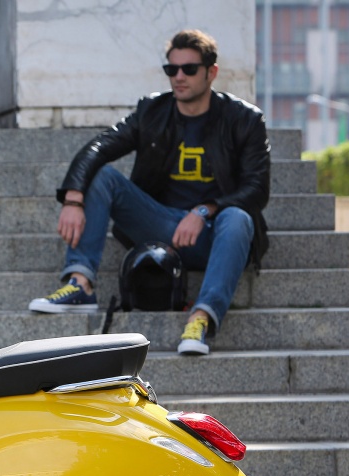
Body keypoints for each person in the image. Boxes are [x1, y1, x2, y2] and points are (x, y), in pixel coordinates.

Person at [28, 29, 270, 356]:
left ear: (211, 72)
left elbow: (257, 188)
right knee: (103, 177)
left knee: (239, 218)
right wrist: (73, 198)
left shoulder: (243, 119)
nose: (179, 77)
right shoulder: (153, 111)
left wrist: (204, 210)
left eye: (189, 69)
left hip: (215, 235)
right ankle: (80, 284)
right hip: (161, 226)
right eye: (172, 69)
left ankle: (201, 319)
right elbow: (100, 146)